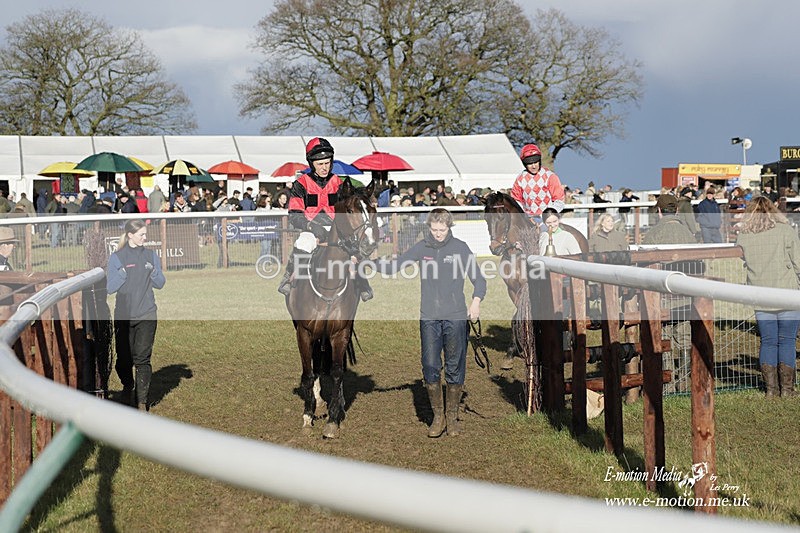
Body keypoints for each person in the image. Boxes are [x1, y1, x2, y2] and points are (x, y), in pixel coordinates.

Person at [376, 208, 486, 437]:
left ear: (449, 227)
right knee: (429, 365)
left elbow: (479, 279)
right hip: (429, 317)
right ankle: (438, 416)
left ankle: (452, 416)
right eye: (434, 229)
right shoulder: (422, 248)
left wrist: (475, 302)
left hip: (455, 317)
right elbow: (395, 265)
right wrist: (370, 262)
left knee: (455, 367)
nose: (438, 234)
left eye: (442, 230)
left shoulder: (460, 249)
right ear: (429, 228)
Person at [278, 137, 372, 301]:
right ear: (311, 163)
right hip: (311, 230)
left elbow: (353, 201)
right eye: (320, 164)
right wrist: (310, 226)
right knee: (303, 243)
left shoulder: (339, 183)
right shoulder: (301, 184)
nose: (324, 167)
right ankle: (288, 277)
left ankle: (362, 282)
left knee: (354, 248)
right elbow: (294, 213)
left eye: (327, 163)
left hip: (336, 229)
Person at [736, 197, 800, 398]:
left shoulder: (744, 236)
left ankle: (771, 390)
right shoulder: (785, 231)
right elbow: (798, 262)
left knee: (768, 340)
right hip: (786, 292)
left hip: (760, 293)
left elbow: (742, 257)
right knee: (787, 341)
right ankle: (787, 390)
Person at [106, 220, 166, 411]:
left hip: (147, 313)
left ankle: (141, 402)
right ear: (130, 235)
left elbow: (161, 283)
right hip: (124, 315)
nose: (145, 238)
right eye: (141, 234)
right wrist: (122, 275)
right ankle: (127, 385)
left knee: (142, 358)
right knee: (124, 359)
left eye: (145, 234)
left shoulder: (150, 255)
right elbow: (109, 287)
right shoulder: (117, 257)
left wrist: (155, 272)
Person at [510, 143, 565, 220]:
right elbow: (516, 201)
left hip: (547, 219)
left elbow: (559, 201)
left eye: (535, 162)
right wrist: (525, 216)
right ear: (524, 164)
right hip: (528, 219)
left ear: (539, 161)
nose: (533, 166)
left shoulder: (550, 176)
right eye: (530, 163)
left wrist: (547, 215)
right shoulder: (520, 179)